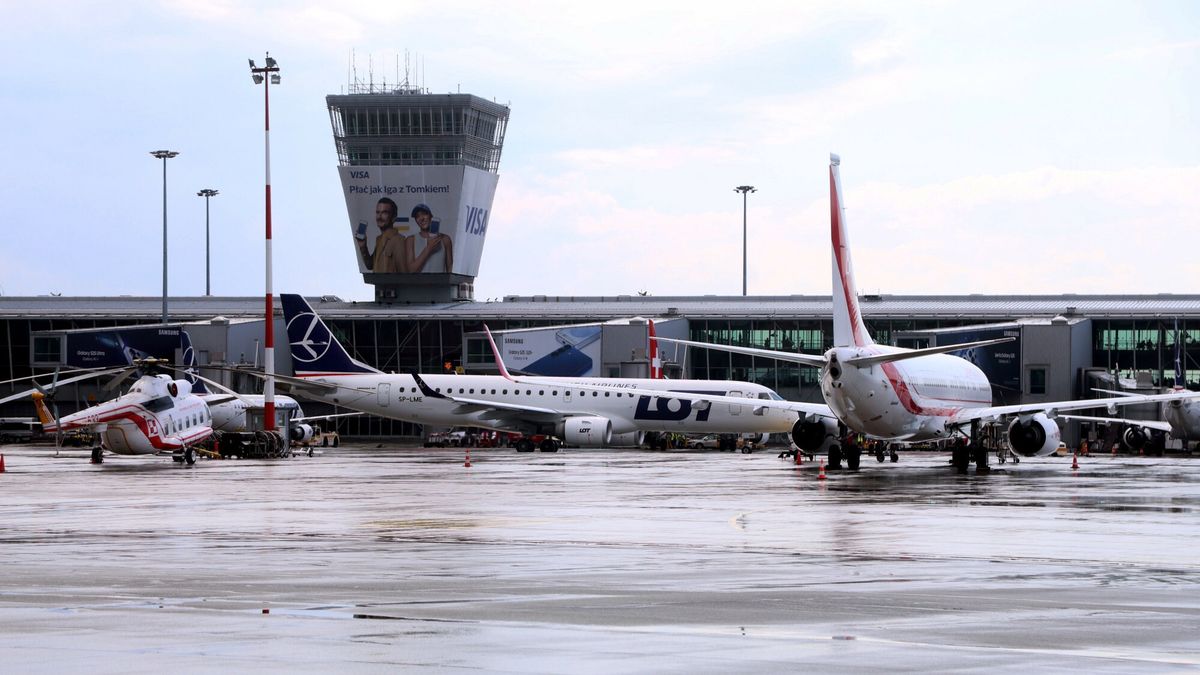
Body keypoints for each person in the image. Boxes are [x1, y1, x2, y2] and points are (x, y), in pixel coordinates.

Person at [357, 197, 407, 273]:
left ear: (394, 218)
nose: (379, 217)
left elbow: (404, 273)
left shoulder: (398, 240)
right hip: (379, 284)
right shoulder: (379, 239)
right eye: (378, 212)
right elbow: (370, 265)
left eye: (384, 213)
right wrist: (363, 246)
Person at [404, 203, 453, 273]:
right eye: (417, 216)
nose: (421, 218)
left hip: (440, 284)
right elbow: (411, 270)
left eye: (424, 214)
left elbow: (450, 269)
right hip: (418, 284)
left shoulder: (445, 239)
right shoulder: (410, 240)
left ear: (431, 216)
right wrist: (429, 248)